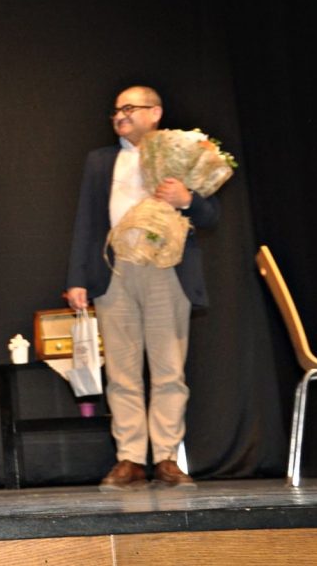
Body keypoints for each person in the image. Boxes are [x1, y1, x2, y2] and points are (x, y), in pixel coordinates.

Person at [65, 85, 220, 491]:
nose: (120, 115)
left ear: (155, 113)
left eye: (130, 108)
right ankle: (131, 458)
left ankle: (166, 456)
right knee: (121, 372)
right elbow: (86, 221)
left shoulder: (181, 155)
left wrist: (186, 198)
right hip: (113, 270)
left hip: (166, 270)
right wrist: (77, 279)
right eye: (116, 110)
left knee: (169, 369)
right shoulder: (100, 161)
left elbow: (210, 215)